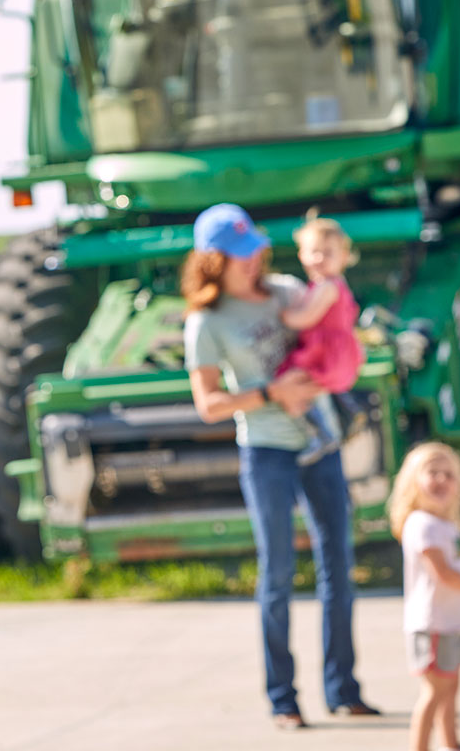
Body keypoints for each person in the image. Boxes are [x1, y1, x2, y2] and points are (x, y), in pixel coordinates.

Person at [182, 203, 379, 729]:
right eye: (240, 256)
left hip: (324, 444)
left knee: (338, 565)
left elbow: (332, 327)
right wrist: (271, 391)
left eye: (256, 252)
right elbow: (209, 404)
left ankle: (344, 689)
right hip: (267, 451)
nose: (254, 263)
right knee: (278, 573)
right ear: (212, 261)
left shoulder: (290, 291)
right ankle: (283, 699)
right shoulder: (207, 321)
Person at [388, 442, 460, 751]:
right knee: (435, 692)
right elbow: (444, 574)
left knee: (451, 687)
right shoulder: (422, 525)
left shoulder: (447, 526)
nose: (441, 479)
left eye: (449, 473)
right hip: (432, 625)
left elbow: (455, 572)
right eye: (432, 472)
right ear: (413, 481)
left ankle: (451, 743)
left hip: (450, 622)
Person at [275, 217, 366, 465]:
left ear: (344, 256)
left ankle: (323, 433)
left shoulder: (328, 286)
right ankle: (342, 414)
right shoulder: (323, 284)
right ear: (301, 254)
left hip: (325, 351)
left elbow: (307, 318)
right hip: (331, 348)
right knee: (315, 389)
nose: (319, 259)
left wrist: (284, 316)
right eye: (314, 252)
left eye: (327, 253)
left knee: (296, 387)